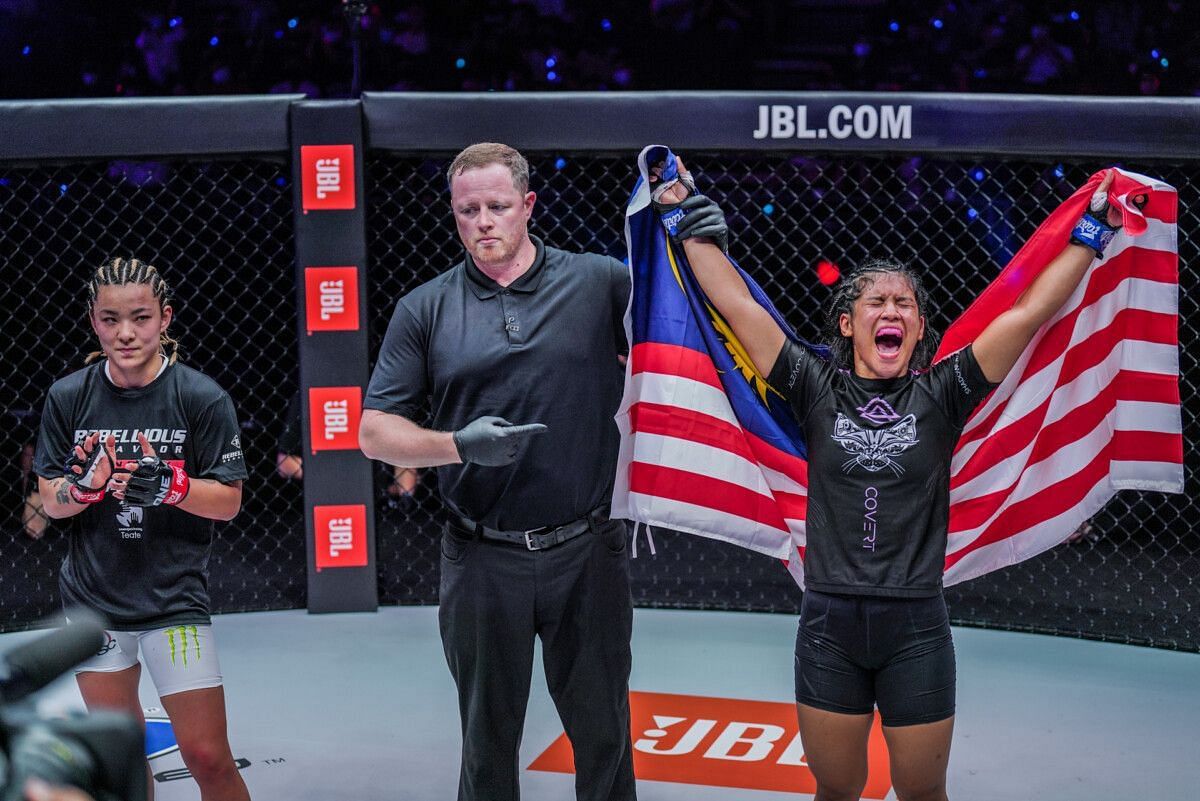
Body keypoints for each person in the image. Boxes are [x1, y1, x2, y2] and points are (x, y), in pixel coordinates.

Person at [650, 159, 1128, 801]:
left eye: (904, 301)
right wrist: (685, 219)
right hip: (828, 624)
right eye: (875, 300)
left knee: (923, 792)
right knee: (837, 791)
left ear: (919, 328)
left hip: (916, 628)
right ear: (848, 325)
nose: (891, 308)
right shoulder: (814, 387)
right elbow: (735, 304)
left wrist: (1090, 234)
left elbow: (1030, 314)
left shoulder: (943, 391)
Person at [359, 142, 636, 801]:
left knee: (604, 733)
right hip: (482, 553)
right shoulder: (424, 307)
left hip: (587, 547)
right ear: (453, 213)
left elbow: (682, 313)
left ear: (528, 206)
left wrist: (690, 226)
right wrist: (458, 444)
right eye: (468, 209)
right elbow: (374, 431)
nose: (484, 220)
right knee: (487, 743)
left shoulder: (599, 282)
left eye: (498, 206)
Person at [33, 257, 251, 801]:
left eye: (140, 317)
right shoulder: (68, 396)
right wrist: (82, 489)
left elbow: (228, 502)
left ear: (165, 318)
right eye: (110, 319)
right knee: (123, 763)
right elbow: (49, 502)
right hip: (93, 603)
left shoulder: (200, 397)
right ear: (93, 322)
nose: (125, 333)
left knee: (207, 757)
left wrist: (171, 486)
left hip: (173, 601)